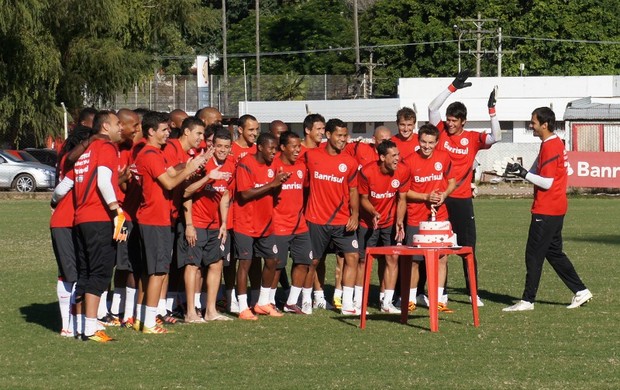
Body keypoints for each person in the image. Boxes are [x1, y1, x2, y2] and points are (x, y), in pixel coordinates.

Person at [503, 107, 592, 312]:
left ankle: (527, 300)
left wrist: (523, 173)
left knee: (533, 255)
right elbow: (538, 169)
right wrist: (519, 170)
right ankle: (581, 291)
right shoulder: (550, 144)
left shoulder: (551, 146)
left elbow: (547, 183)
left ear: (545, 124)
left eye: (533, 122)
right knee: (553, 253)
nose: (530, 125)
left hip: (547, 208)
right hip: (555, 207)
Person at [51, 110, 127, 343]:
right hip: (99, 217)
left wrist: (54, 202)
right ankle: (92, 329)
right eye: (117, 124)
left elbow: (66, 185)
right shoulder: (106, 148)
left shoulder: (85, 152)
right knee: (100, 273)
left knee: (84, 273)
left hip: (81, 219)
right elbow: (104, 181)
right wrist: (117, 210)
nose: (120, 128)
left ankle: (82, 326)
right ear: (105, 127)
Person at [427, 70, 501, 306]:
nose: (449, 124)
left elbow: (496, 136)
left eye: (454, 121)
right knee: (438, 247)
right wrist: (452, 87)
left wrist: (492, 111)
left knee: (468, 247)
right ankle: (439, 293)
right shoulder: (439, 133)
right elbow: (431, 108)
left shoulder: (472, 138)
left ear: (463, 122)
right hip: (440, 199)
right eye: (448, 120)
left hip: (461, 199)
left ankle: (473, 293)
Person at [133, 111, 206, 334]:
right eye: (164, 130)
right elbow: (169, 183)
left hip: (157, 218)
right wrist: (191, 169)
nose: (168, 134)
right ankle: (149, 321)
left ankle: (141, 318)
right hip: (155, 219)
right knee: (157, 272)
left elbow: (173, 170)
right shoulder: (151, 154)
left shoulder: (157, 153)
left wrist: (191, 164)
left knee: (150, 271)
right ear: (151, 131)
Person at [304, 119, 360, 315]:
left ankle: (347, 303)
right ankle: (308, 299)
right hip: (316, 219)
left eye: (345, 136)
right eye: (339, 135)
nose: (343, 139)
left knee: (352, 256)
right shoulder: (311, 156)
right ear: (328, 135)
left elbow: (353, 191)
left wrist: (355, 214)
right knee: (314, 261)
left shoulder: (350, 162)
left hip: (342, 221)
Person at [233, 132, 289, 320]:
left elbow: (274, 191)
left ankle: (262, 303)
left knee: (273, 260)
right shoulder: (245, 164)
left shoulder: (274, 165)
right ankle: (242, 307)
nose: (274, 152)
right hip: (245, 223)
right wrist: (272, 183)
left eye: (276, 148)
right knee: (245, 264)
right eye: (271, 148)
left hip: (265, 223)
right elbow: (245, 194)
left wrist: (280, 183)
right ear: (260, 147)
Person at [403, 124, 457, 313]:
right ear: (419, 141)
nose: (427, 146)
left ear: (437, 142)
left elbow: (452, 181)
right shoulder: (409, 161)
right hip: (416, 218)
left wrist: (444, 195)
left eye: (431, 143)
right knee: (415, 261)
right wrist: (426, 197)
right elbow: (404, 192)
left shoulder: (443, 157)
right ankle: (410, 300)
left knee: (442, 259)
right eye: (424, 142)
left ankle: (439, 300)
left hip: (440, 218)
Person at [182, 129, 235, 321]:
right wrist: (189, 225)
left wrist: (223, 223)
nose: (222, 150)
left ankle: (210, 311)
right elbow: (186, 192)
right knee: (193, 265)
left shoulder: (231, 164)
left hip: (215, 226)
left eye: (226, 147)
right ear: (212, 145)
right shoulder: (201, 162)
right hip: (196, 223)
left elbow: (225, 194)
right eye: (219, 146)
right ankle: (190, 312)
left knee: (216, 263)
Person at [357, 139, 409, 314]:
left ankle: (387, 302)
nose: (397, 159)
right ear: (381, 157)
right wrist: (373, 212)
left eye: (398, 155)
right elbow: (362, 199)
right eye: (393, 155)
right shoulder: (366, 172)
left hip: (388, 222)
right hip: (368, 222)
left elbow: (402, 199)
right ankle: (358, 301)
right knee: (363, 260)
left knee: (392, 259)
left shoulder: (403, 171)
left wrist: (399, 221)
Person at [49, 126, 91, 337]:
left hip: (77, 222)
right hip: (64, 222)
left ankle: (79, 320)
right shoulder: (72, 162)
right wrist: (55, 202)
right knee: (69, 274)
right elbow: (59, 190)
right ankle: (67, 324)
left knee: (80, 272)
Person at [269, 131, 313, 314]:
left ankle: (291, 302)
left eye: (299, 146)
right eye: (293, 146)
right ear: (283, 147)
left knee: (304, 262)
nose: (297, 150)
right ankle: (268, 301)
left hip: (299, 225)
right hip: (278, 224)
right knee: (277, 265)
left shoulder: (302, 167)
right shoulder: (274, 166)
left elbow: (303, 192)